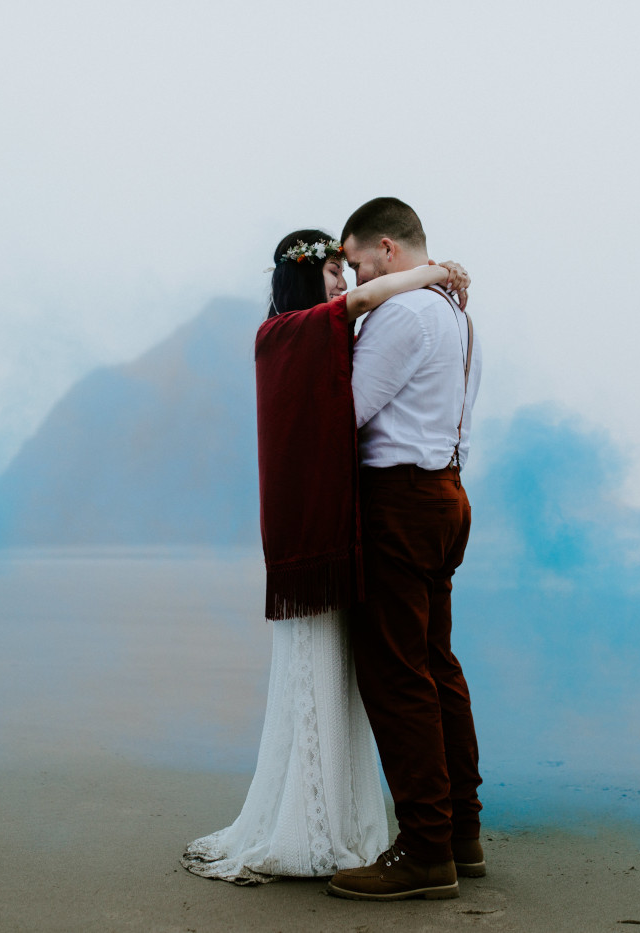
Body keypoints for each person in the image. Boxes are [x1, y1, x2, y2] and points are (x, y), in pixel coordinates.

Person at [181, 228, 470, 884]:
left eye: (346, 270)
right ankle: (313, 826)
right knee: (326, 676)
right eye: (332, 272)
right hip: (314, 540)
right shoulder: (284, 333)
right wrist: (433, 273)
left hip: (349, 530)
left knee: (362, 679)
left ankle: (353, 820)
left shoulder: (317, 339)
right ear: (303, 281)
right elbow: (364, 303)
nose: (343, 282)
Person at [326, 198, 485, 902]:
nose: (353, 276)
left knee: (397, 676)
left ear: (387, 250)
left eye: (356, 262)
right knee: (436, 664)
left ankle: (425, 847)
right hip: (446, 493)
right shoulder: (455, 315)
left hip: (399, 499)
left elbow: (347, 414)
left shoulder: (402, 313)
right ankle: (460, 833)